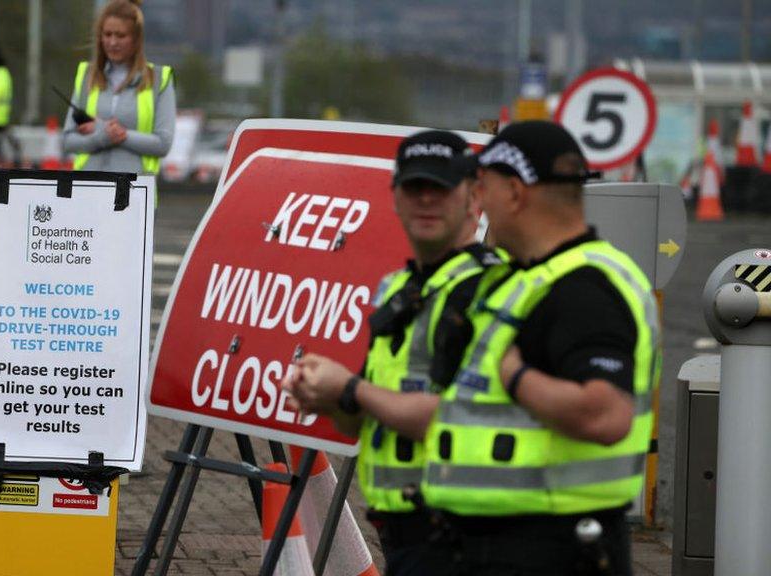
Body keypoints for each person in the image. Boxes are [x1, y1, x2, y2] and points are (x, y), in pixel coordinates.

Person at [415, 120, 659, 575]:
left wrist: (515, 375)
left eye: (481, 187)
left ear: (514, 192)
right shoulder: (529, 276)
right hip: (504, 537)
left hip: (552, 545)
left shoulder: (584, 287)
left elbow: (605, 414)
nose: (478, 203)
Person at [281, 130, 502, 576]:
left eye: (440, 188)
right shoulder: (400, 288)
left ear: (474, 198)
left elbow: (456, 419)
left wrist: (350, 388)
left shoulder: (493, 290)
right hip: (405, 529)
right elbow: (363, 418)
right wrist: (329, 398)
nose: (426, 200)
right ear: (395, 198)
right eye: (413, 187)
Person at [62, 0, 175, 181]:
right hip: (87, 190)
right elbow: (68, 141)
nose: (112, 42)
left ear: (136, 39)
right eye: (107, 34)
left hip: (136, 194)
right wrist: (103, 137)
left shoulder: (159, 79)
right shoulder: (86, 76)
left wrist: (113, 132)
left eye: (120, 35)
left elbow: (163, 144)